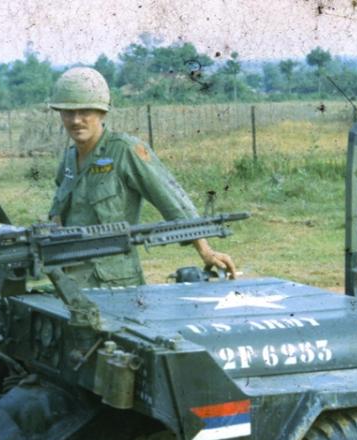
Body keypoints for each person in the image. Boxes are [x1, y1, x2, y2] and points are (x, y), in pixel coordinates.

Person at [48, 66, 237, 288]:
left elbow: (172, 201)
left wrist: (205, 251)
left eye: (85, 112)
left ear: (102, 112)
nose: (76, 120)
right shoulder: (69, 159)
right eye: (68, 112)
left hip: (114, 283)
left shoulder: (125, 151)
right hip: (69, 281)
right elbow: (59, 217)